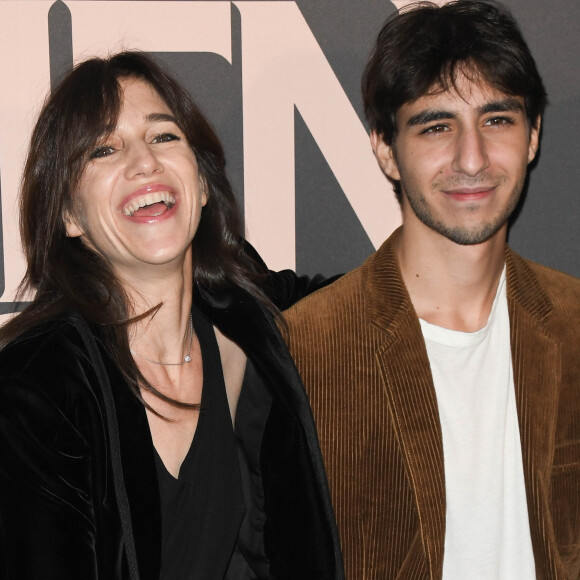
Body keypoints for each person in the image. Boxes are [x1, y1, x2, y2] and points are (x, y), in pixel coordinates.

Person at [0, 51, 343, 580]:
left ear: (201, 185)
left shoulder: (249, 318)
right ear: (69, 215)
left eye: (163, 136)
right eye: (104, 149)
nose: (145, 162)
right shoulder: (37, 386)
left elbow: (386, 294)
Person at [284, 1, 580, 578]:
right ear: (385, 149)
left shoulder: (575, 326)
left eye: (497, 120)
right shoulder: (307, 349)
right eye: (437, 126)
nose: (472, 159)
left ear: (534, 136)